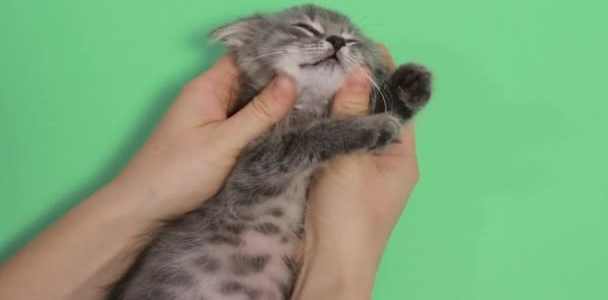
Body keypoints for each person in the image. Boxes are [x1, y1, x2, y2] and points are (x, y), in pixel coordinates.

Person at [0, 48, 421, 300]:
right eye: (307, 31)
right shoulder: (256, 132)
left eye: (349, 41)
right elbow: (268, 167)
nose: (332, 44)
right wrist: (344, 266)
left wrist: (387, 115)